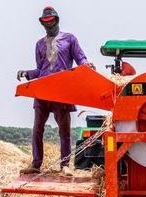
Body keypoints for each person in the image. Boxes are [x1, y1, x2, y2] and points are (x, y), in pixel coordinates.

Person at [17, 6, 92, 175]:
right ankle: (36, 164)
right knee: (37, 129)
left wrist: (87, 66)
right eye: (45, 22)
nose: (48, 25)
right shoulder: (39, 44)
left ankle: (65, 165)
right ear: (42, 24)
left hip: (62, 90)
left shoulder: (69, 39)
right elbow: (41, 69)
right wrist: (27, 73)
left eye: (51, 22)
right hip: (43, 90)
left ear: (56, 20)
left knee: (64, 130)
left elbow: (81, 58)